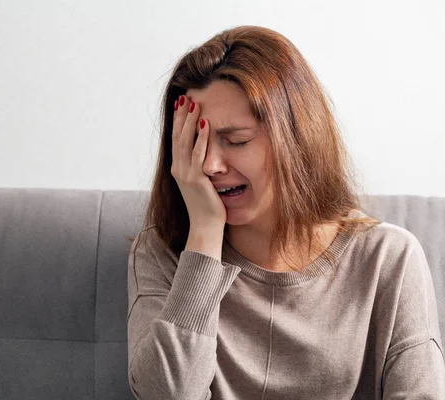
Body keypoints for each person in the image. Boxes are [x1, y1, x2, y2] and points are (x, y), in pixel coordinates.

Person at [126, 25, 445, 399]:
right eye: (195, 142)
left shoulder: (388, 258)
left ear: (295, 138)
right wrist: (205, 237)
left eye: (237, 141)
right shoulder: (162, 252)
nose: (210, 164)